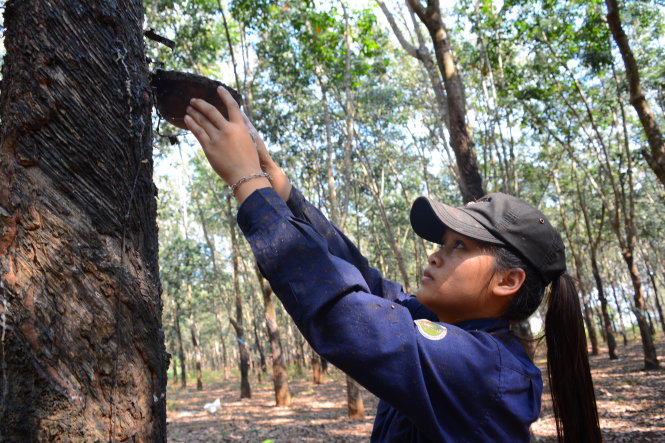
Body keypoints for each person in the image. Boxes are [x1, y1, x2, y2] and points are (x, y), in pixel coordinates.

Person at [183, 87, 602, 442]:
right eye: (444, 243)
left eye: (459, 247)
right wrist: (284, 192)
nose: (436, 254)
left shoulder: (484, 369)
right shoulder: (453, 334)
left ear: (508, 281)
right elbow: (367, 284)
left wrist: (249, 185)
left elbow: (348, 316)